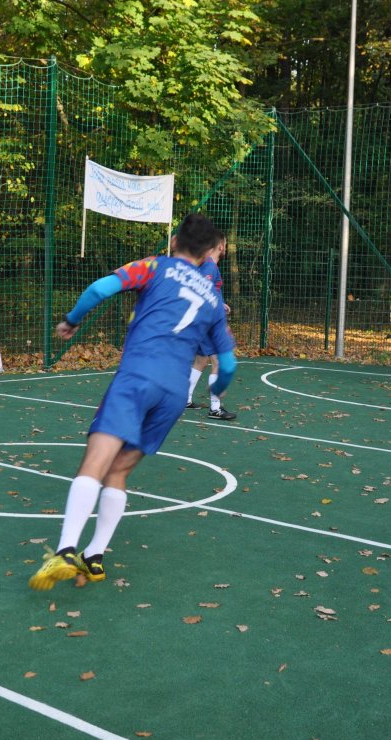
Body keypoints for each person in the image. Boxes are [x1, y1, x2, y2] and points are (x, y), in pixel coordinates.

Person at [29, 213, 237, 591]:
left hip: (137, 378)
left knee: (94, 463)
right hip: (173, 395)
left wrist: (72, 320)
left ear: (175, 240)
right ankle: (94, 557)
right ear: (209, 253)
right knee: (119, 472)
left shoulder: (155, 266)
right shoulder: (212, 297)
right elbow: (229, 365)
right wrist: (217, 391)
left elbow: (98, 290)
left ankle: (65, 550)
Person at [185, 239, 237, 420]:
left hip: (202, 320)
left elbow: (205, 291)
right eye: (224, 244)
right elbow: (201, 293)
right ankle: (215, 408)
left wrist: (220, 303)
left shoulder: (208, 265)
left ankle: (185, 398)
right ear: (220, 246)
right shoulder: (209, 266)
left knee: (201, 360)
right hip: (207, 322)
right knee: (218, 362)